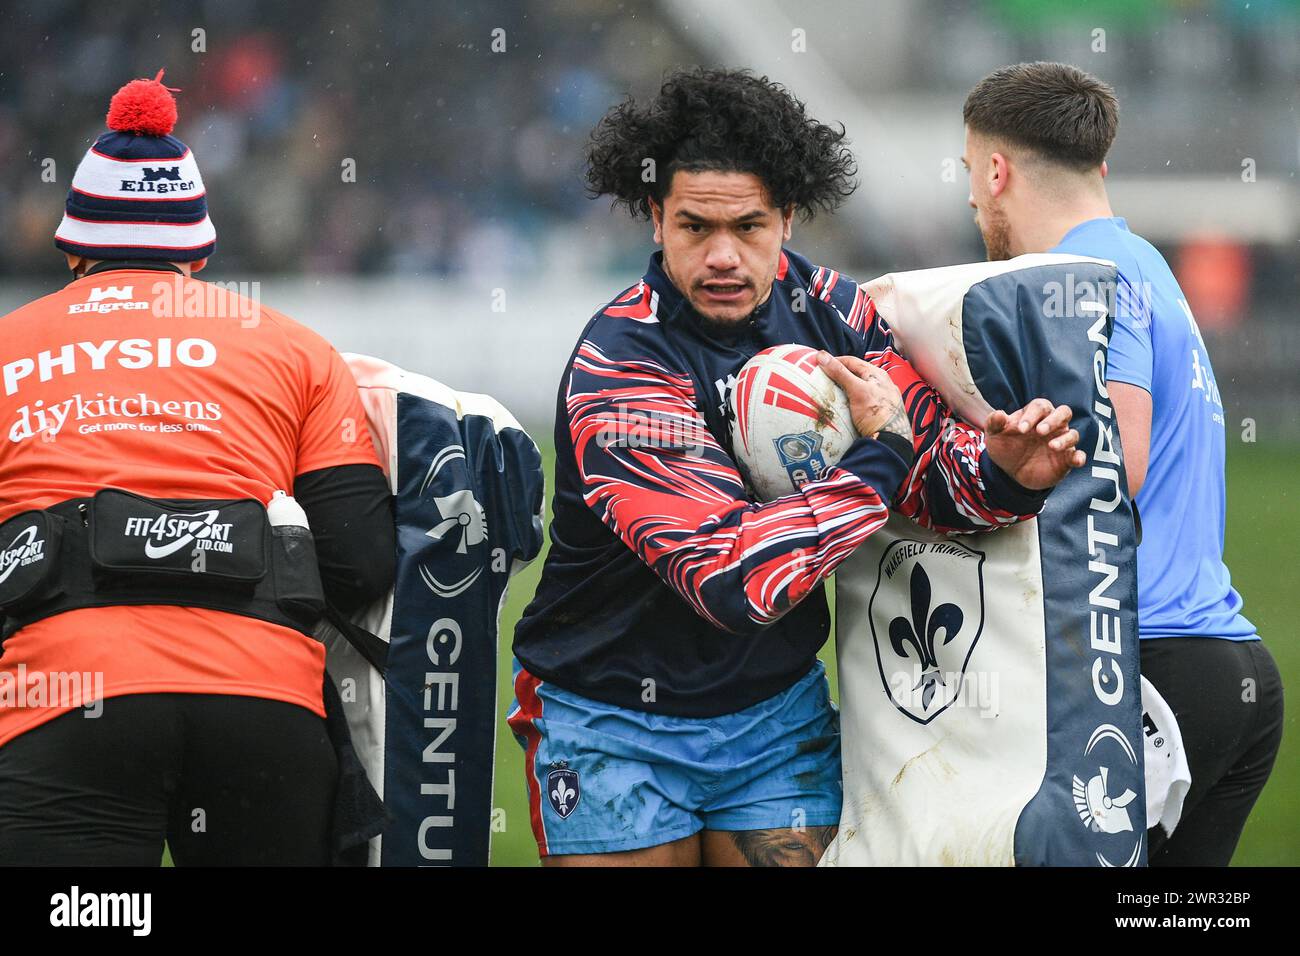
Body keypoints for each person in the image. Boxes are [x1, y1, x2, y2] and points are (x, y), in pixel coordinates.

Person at [508, 68, 1086, 867]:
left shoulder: (832, 310)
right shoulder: (621, 369)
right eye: (694, 227)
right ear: (655, 218)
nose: (722, 256)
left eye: (747, 226)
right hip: (611, 717)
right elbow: (732, 582)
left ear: (787, 216)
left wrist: (1005, 470)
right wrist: (881, 457)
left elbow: (929, 477)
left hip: (772, 715)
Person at [0, 72, 395, 865]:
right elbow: (362, 562)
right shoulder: (297, 349)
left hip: (61, 704)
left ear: (73, 244)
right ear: (200, 250)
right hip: (264, 708)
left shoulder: (9, 342)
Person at [960, 61, 1284, 866]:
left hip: (1146, 676)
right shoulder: (1146, 264)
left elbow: (1119, 464)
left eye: (971, 172)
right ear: (1098, 166)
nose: (970, 198)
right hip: (1227, 670)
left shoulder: (1081, 280)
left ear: (996, 171)